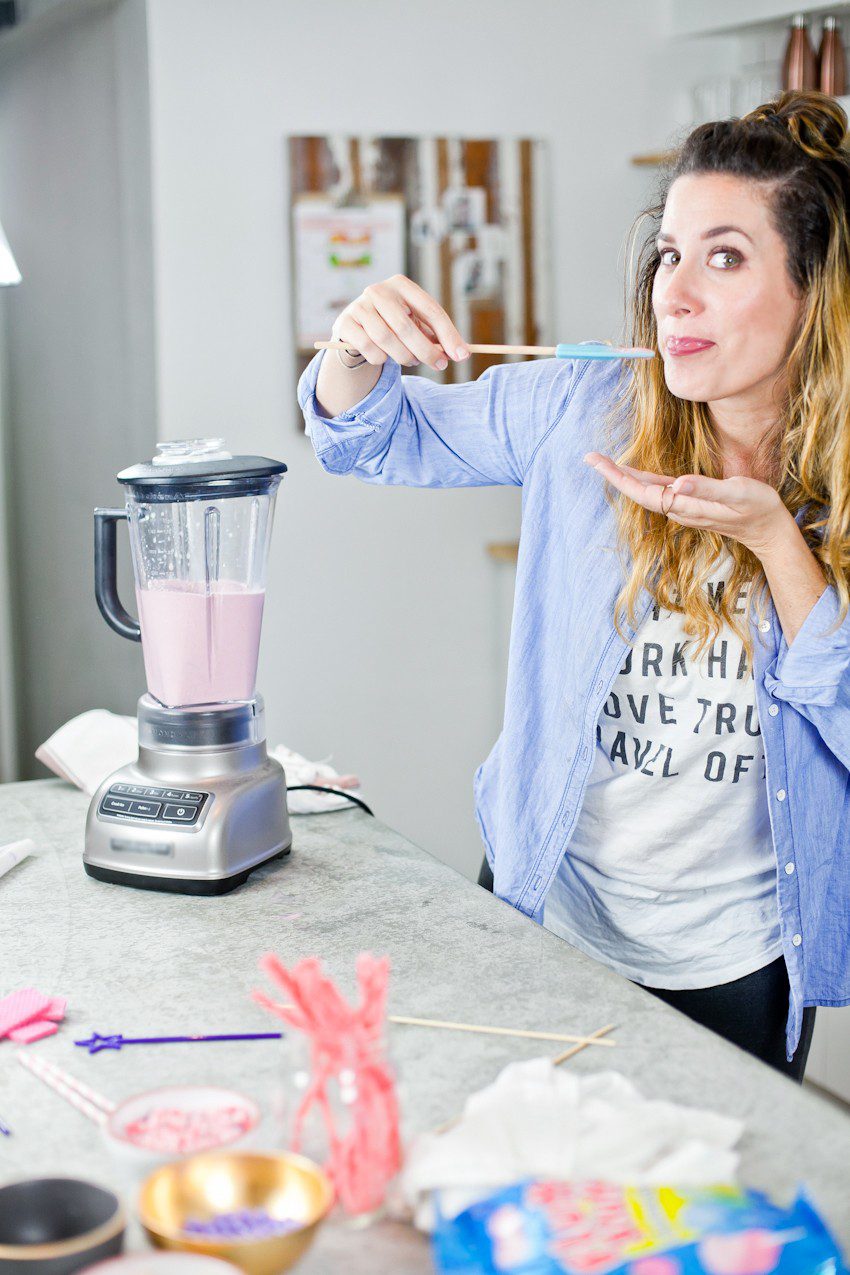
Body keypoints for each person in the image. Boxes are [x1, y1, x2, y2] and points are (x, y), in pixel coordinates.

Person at [297, 90, 850, 1083]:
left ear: (813, 291)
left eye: (724, 256)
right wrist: (350, 347)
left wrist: (777, 544)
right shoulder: (582, 409)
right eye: (669, 254)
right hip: (548, 910)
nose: (672, 293)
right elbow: (375, 433)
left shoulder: (838, 488)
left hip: (737, 964)